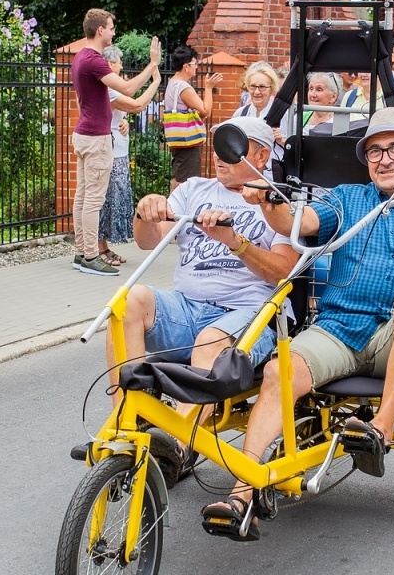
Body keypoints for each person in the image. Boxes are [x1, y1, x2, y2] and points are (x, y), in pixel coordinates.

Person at [206, 108, 394, 539]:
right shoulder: (347, 198)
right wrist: (270, 202)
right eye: (375, 151)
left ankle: (379, 431)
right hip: (341, 328)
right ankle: (242, 493)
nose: (385, 159)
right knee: (277, 370)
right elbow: (298, 222)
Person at [111, 117, 298, 397]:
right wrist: (145, 212)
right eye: (216, 147)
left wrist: (235, 242)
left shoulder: (277, 202)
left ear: (262, 156)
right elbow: (147, 241)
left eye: (230, 148)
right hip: (186, 310)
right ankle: (126, 420)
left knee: (210, 340)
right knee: (126, 302)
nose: (218, 157)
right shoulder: (193, 189)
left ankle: (184, 441)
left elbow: (283, 272)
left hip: (246, 313)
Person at [69, 9, 159, 276]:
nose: (113, 32)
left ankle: (82, 252)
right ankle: (90, 256)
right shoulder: (94, 60)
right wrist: (153, 65)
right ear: (100, 31)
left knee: (83, 197)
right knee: (93, 201)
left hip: (85, 135)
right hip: (96, 139)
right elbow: (129, 90)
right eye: (111, 28)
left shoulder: (80, 57)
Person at [98, 44, 162, 266]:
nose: (122, 66)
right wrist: (155, 80)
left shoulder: (112, 89)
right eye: (119, 62)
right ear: (109, 64)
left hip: (119, 150)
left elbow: (119, 112)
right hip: (111, 151)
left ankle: (104, 247)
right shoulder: (108, 88)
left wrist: (122, 121)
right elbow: (136, 103)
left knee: (115, 197)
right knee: (107, 199)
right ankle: (99, 248)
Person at [162, 44, 214, 190]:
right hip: (188, 140)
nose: (196, 67)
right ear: (186, 66)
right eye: (194, 63)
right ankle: (176, 210)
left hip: (177, 138)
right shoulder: (184, 87)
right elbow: (205, 111)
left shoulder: (172, 83)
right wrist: (208, 87)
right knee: (185, 182)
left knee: (178, 175)